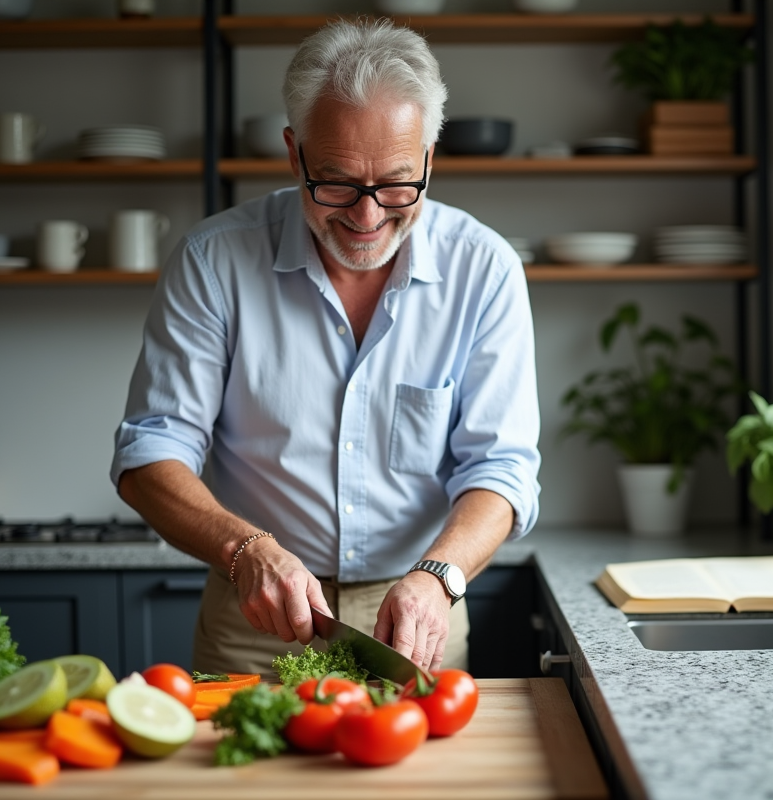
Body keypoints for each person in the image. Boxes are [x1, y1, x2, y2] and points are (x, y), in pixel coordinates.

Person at [110, 18, 541, 677]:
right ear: (294, 154)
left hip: (418, 615)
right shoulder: (213, 260)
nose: (366, 217)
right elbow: (149, 454)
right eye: (336, 182)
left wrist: (437, 579)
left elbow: (502, 469)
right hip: (255, 614)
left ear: (429, 158)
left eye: (397, 183)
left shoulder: (484, 270)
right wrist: (248, 550)